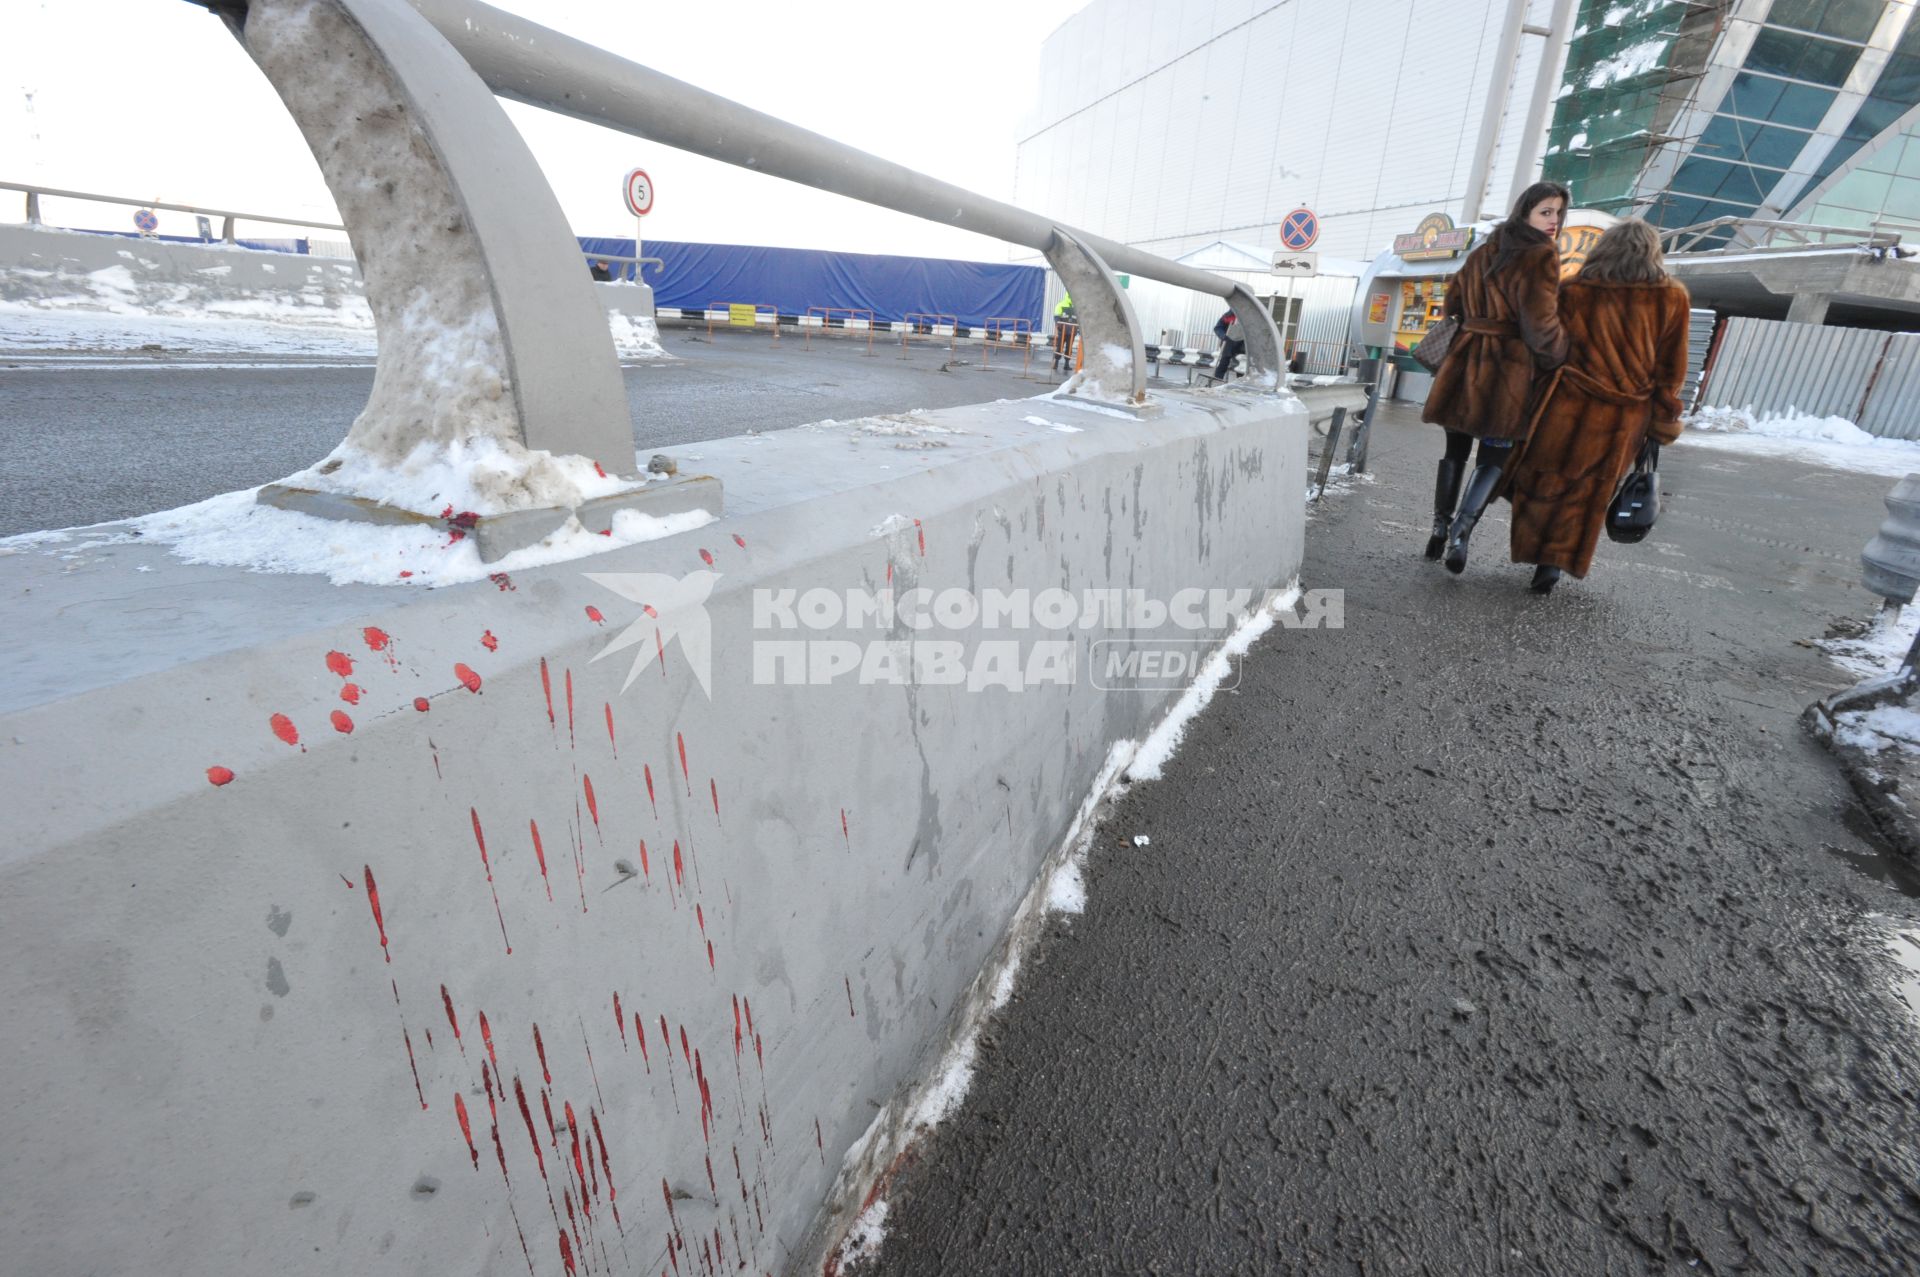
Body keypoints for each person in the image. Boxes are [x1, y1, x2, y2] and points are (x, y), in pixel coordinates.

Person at [1504, 219, 1690, 594]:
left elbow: (1547, 350)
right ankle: (1554, 564)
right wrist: (1665, 413)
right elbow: (1671, 368)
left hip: (1565, 405)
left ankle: (1537, 549)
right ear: (1652, 253)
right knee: (1590, 492)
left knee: (1543, 479)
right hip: (1623, 417)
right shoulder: (1672, 297)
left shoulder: (1573, 291)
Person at [1420, 181, 1571, 572]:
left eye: (1558, 212)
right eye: (1546, 211)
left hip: (1464, 360)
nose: (1553, 221)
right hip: (1507, 370)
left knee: (1455, 449)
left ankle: (1438, 529)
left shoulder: (1484, 249)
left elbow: (1452, 303)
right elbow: (1539, 324)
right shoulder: (1540, 255)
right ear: (1526, 212)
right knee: (1494, 453)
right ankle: (1461, 532)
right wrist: (1559, 355)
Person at [1212, 309, 1245, 381]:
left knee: (1241, 363)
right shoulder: (1229, 315)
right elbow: (1218, 328)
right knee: (1224, 361)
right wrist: (1223, 336)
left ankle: (1240, 382)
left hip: (1242, 343)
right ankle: (1217, 380)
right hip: (1229, 341)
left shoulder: (1248, 316)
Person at [1052, 293, 1077, 372]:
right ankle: (1056, 362)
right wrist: (1058, 325)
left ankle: (1066, 364)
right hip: (1062, 331)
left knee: (1069, 348)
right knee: (1060, 347)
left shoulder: (1076, 306)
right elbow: (1056, 316)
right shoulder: (1061, 305)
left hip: (1072, 331)